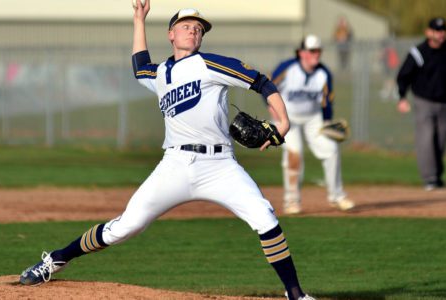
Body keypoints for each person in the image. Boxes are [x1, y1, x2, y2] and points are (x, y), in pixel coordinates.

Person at [19, 1, 315, 299]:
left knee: (265, 218)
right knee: (123, 228)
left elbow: (262, 83)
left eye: (198, 29)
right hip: (175, 163)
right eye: (186, 26)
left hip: (220, 166)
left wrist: (283, 124)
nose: (193, 31)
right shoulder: (160, 74)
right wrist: (138, 19)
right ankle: (56, 259)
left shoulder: (211, 64)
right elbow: (139, 67)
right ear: (171, 34)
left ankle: (296, 295)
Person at [269, 34, 355, 215]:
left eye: (318, 51)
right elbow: (268, 88)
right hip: (287, 117)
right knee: (294, 153)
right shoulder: (288, 68)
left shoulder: (324, 73)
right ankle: (291, 201)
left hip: (313, 118)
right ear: (301, 52)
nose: (316, 54)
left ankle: (337, 196)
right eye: (312, 51)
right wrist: (272, 108)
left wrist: (327, 121)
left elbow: (327, 101)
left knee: (331, 149)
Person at [396, 17, 446, 191]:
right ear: (428, 32)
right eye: (437, 30)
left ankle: (436, 175)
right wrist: (402, 97)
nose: (441, 33)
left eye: (443, 30)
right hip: (424, 101)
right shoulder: (418, 52)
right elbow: (404, 75)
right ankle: (430, 178)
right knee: (426, 138)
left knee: (441, 139)